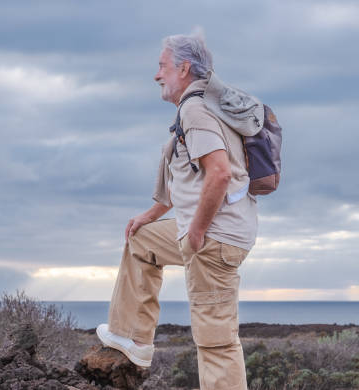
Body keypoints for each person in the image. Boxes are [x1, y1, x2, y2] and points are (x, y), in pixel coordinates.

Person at [96, 31, 258, 390]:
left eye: (162, 66)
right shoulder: (201, 107)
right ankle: (134, 339)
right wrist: (150, 216)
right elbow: (190, 175)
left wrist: (197, 233)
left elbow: (218, 172)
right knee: (141, 240)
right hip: (206, 230)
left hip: (212, 238)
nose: (157, 74)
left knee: (215, 342)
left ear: (184, 68)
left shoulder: (196, 109)